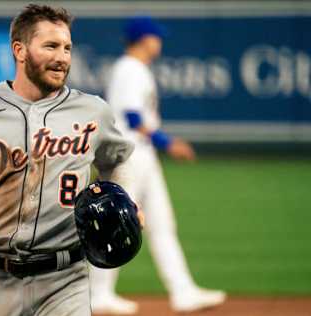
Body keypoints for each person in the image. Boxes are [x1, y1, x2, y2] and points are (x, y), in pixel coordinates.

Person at [0, 4, 143, 316]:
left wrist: (125, 200)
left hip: (66, 280)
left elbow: (117, 160)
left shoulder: (92, 111)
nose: (62, 57)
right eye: (51, 46)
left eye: (67, 47)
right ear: (19, 50)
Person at [89, 16, 226, 314]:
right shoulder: (129, 69)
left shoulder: (136, 69)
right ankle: (98, 294)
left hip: (142, 155)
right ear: (144, 39)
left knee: (162, 224)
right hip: (128, 155)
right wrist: (168, 143)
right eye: (156, 36)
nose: (159, 41)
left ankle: (183, 291)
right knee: (116, 224)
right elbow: (133, 118)